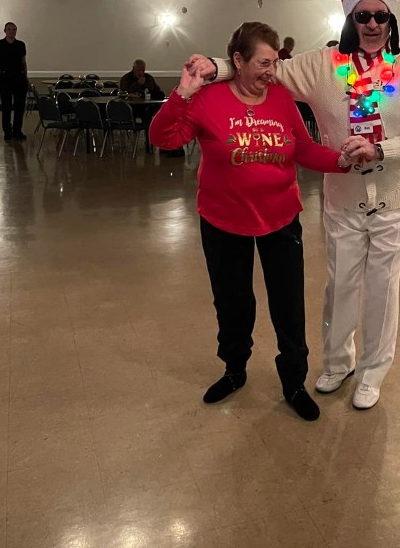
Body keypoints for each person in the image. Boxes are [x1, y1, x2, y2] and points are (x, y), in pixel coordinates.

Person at [192, 0, 400, 410]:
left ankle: (372, 371)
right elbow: (263, 67)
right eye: (363, 16)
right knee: (340, 285)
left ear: (390, 20)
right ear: (350, 19)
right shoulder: (323, 65)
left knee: (383, 289)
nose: (372, 24)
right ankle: (338, 362)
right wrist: (214, 66)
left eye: (380, 16)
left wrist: (382, 149)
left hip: (396, 199)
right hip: (344, 198)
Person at [148, 22, 352, 422]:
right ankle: (234, 369)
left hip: (281, 218)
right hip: (223, 220)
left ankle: (294, 381)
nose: (271, 72)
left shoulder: (281, 98)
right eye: (263, 63)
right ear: (237, 61)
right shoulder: (208, 99)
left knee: (288, 304)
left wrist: (342, 161)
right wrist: (182, 94)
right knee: (233, 302)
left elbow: (304, 150)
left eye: (274, 63)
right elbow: (164, 138)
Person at [0, 22, 29, 141]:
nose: (11, 32)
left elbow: (23, 62)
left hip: (19, 77)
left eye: (14, 30)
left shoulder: (21, 45)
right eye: (9, 29)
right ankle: (7, 131)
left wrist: (25, 77)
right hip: (5, 77)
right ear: (5, 31)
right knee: (6, 106)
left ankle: (17, 130)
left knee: (20, 106)